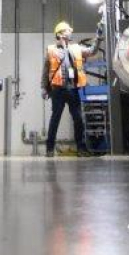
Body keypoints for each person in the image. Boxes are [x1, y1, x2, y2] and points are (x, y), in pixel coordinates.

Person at [42, 21, 95, 156]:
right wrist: (44, 87)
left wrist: (99, 38)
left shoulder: (76, 48)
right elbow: (46, 70)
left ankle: (81, 148)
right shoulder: (51, 50)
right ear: (60, 34)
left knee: (78, 119)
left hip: (73, 89)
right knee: (55, 119)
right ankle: (49, 149)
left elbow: (91, 52)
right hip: (57, 90)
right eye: (67, 30)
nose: (70, 32)